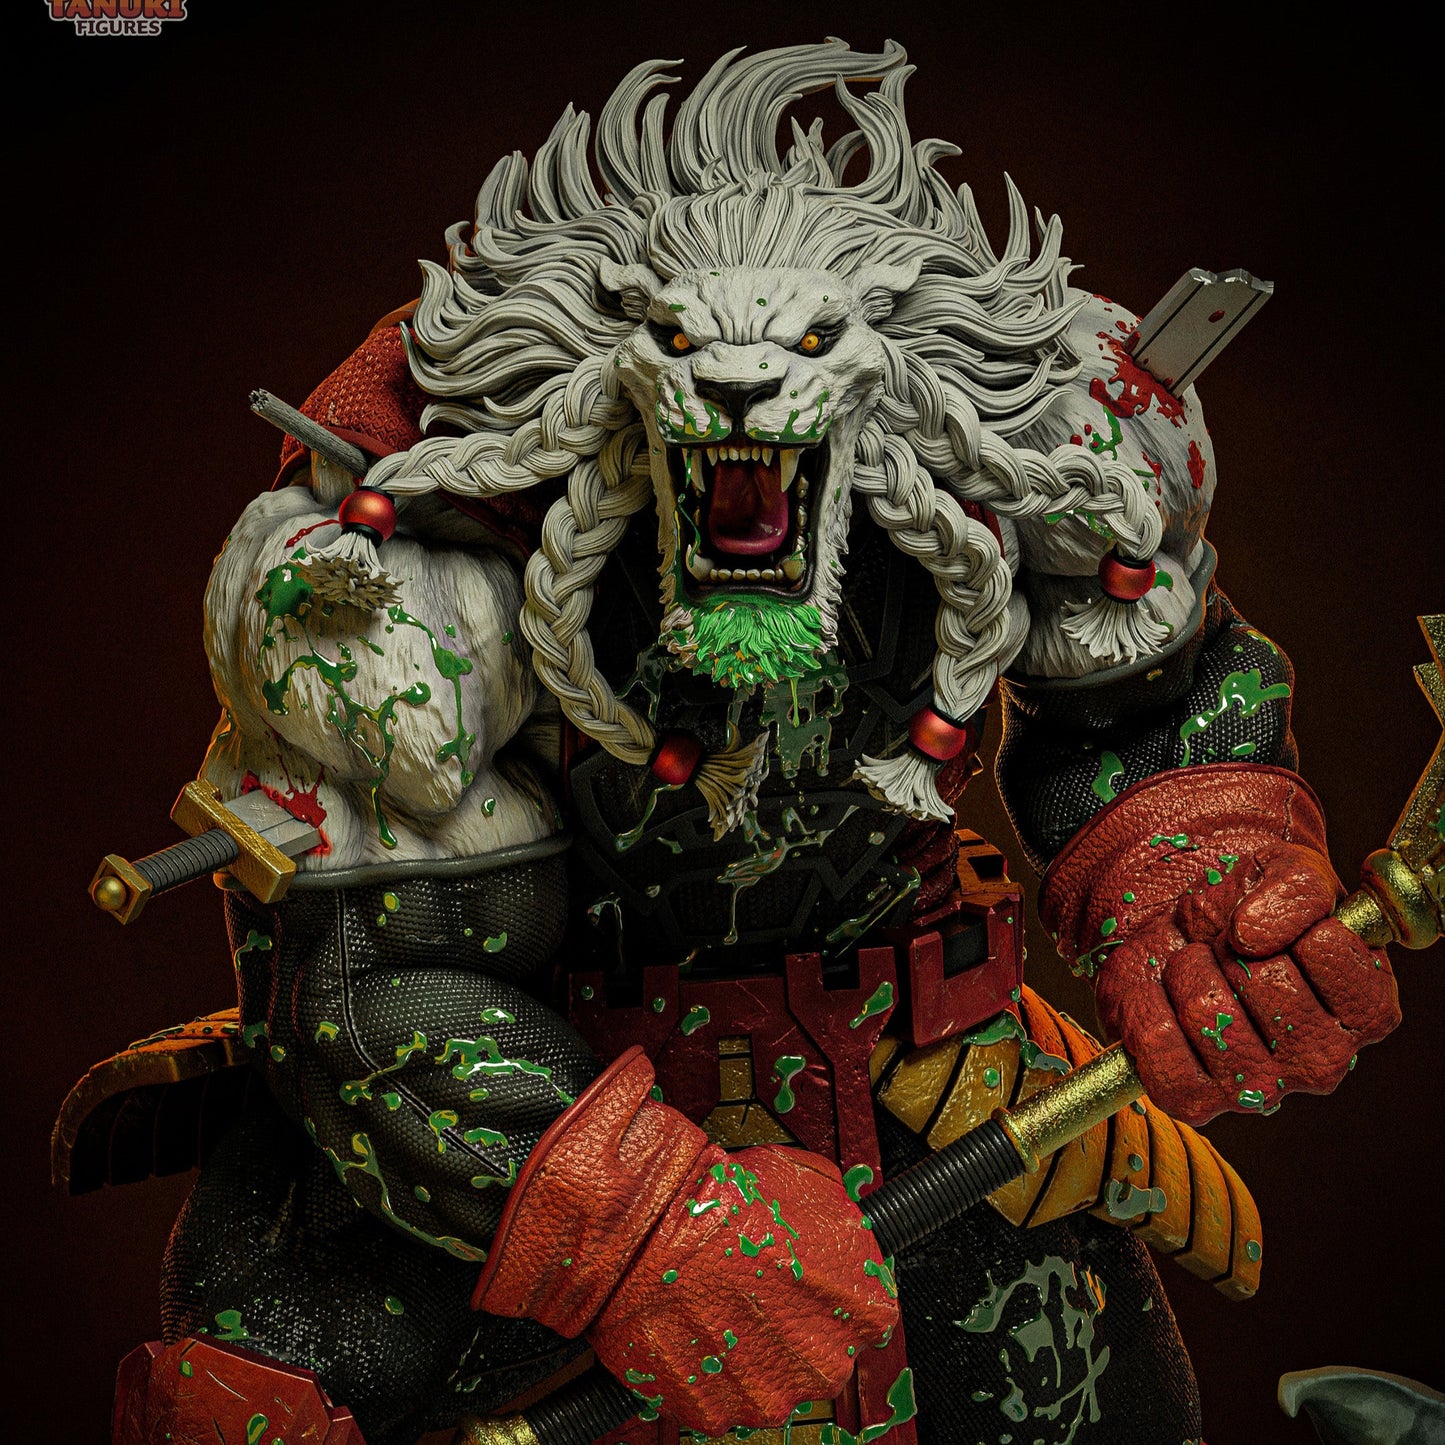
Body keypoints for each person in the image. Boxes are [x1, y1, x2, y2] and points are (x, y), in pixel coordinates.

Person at [75, 40, 1399, 1445]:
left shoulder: (1012, 443)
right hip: (507, 1170)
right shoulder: (421, 523)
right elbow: (368, 971)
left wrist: (1199, 885)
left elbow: (1144, 694)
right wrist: (635, 1221)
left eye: (804, 353)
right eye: (690, 354)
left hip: (935, 1128)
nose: (748, 392)